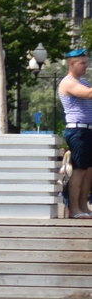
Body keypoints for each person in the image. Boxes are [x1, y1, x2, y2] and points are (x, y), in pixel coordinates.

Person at [59, 49, 92, 218]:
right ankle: (74, 209)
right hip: (77, 130)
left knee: (88, 170)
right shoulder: (68, 82)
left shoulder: (84, 82)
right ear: (72, 64)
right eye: (82, 63)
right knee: (79, 169)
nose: (86, 66)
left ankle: (83, 207)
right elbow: (89, 94)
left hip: (87, 129)